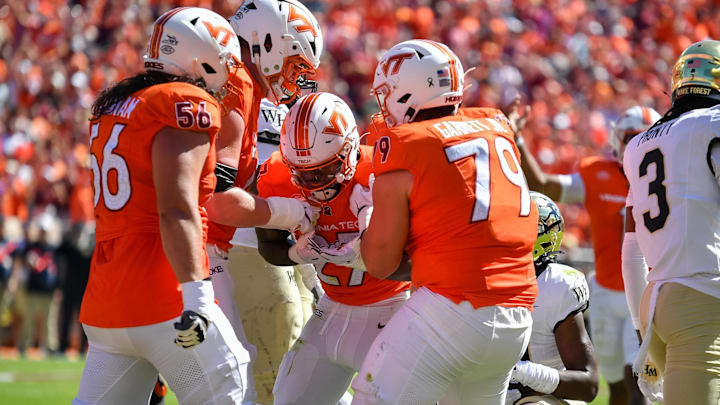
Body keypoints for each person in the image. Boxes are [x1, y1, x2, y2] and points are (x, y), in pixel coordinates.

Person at [313, 39, 538, 405]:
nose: (383, 105)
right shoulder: (494, 124)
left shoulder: (403, 143)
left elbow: (380, 262)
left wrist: (364, 222)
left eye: (387, 93)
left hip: (452, 308)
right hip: (519, 312)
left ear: (407, 94)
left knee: (372, 397)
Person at [74, 8, 253, 404]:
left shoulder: (116, 106)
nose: (228, 74)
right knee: (233, 385)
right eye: (224, 62)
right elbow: (177, 209)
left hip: (108, 301)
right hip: (164, 295)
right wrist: (198, 296)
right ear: (200, 57)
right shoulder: (182, 101)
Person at [255, 92, 411, 405]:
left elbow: (422, 261)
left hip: (395, 310)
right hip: (331, 312)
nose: (311, 182)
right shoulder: (280, 176)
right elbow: (268, 245)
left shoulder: (382, 173)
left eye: (322, 171)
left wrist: (371, 259)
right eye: (303, 172)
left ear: (349, 150)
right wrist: (294, 253)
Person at [202, 3, 323, 401]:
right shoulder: (237, 82)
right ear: (265, 42)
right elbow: (217, 198)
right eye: (293, 62)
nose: (296, 77)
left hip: (209, 241)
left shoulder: (241, 83)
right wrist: (290, 213)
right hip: (212, 244)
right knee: (238, 375)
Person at [512, 103, 660, 405]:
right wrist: (519, 141)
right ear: (618, 139)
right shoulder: (597, 172)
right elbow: (543, 185)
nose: (639, 144)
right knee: (613, 383)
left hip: (646, 290)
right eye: (633, 137)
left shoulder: (667, 178)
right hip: (606, 290)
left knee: (638, 384)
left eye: (646, 137)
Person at [622, 39, 720, 405]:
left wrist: (640, 326)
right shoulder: (711, 124)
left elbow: (630, 250)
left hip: (658, 301)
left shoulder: (638, 146)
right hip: (704, 298)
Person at [226, 97, 323, 405]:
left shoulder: (285, 103)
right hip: (247, 245)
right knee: (278, 372)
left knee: (310, 368)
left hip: (291, 245)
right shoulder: (236, 96)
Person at [506, 192, 598, 405]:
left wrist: (520, 373)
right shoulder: (478, 276)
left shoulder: (557, 285)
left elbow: (588, 384)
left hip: (542, 396)